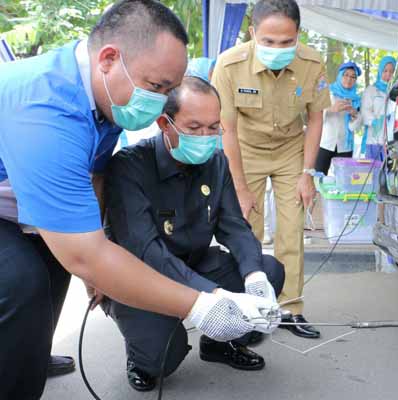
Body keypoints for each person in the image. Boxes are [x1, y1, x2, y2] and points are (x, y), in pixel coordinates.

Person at [0, 1, 277, 398]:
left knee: (51, 271)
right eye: (157, 87)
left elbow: (94, 178)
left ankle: (31, 351)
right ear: (110, 59)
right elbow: (88, 254)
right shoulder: (46, 110)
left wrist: (84, 265)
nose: (160, 103)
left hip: (23, 195)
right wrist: (202, 306)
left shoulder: (104, 100)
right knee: (20, 281)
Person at [103, 76, 284, 391]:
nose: (206, 137)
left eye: (214, 127)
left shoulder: (216, 161)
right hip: (142, 278)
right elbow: (145, 250)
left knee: (269, 271)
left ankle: (219, 344)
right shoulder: (130, 167)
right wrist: (212, 296)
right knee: (160, 359)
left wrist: (254, 277)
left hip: (196, 262)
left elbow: (234, 226)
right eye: (194, 128)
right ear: (164, 123)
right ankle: (141, 354)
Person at [212, 0, 331, 339]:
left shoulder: (311, 63)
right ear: (252, 33)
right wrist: (238, 185)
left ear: (298, 35)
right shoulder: (229, 65)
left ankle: (291, 308)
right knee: (247, 227)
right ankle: (247, 308)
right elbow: (227, 130)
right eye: (268, 41)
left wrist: (309, 173)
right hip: (245, 150)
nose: (277, 49)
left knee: (292, 228)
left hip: (291, 149)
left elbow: (317, 117)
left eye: (286, 42)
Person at [315, 62, 363, 175]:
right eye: (346, 75)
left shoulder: (355, 99)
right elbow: (315, 115)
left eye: (353, 77)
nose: (349, 79)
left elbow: (354, 127)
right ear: (340, 75)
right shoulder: (327, 92)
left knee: (343, 180)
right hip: (325, 143)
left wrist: (355, 115)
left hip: (345, 146)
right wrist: (331, 109)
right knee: (318, 177)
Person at [360, 56, 397, 161]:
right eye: (385, 71)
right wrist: (375, 121)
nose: (388, 74)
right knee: (373, 171)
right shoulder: (371, 90)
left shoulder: (396, 91)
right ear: (380, 71)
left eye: (391, 71)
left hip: (390, 140)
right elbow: (364, 111)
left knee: (388, 172)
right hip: (373, 139)